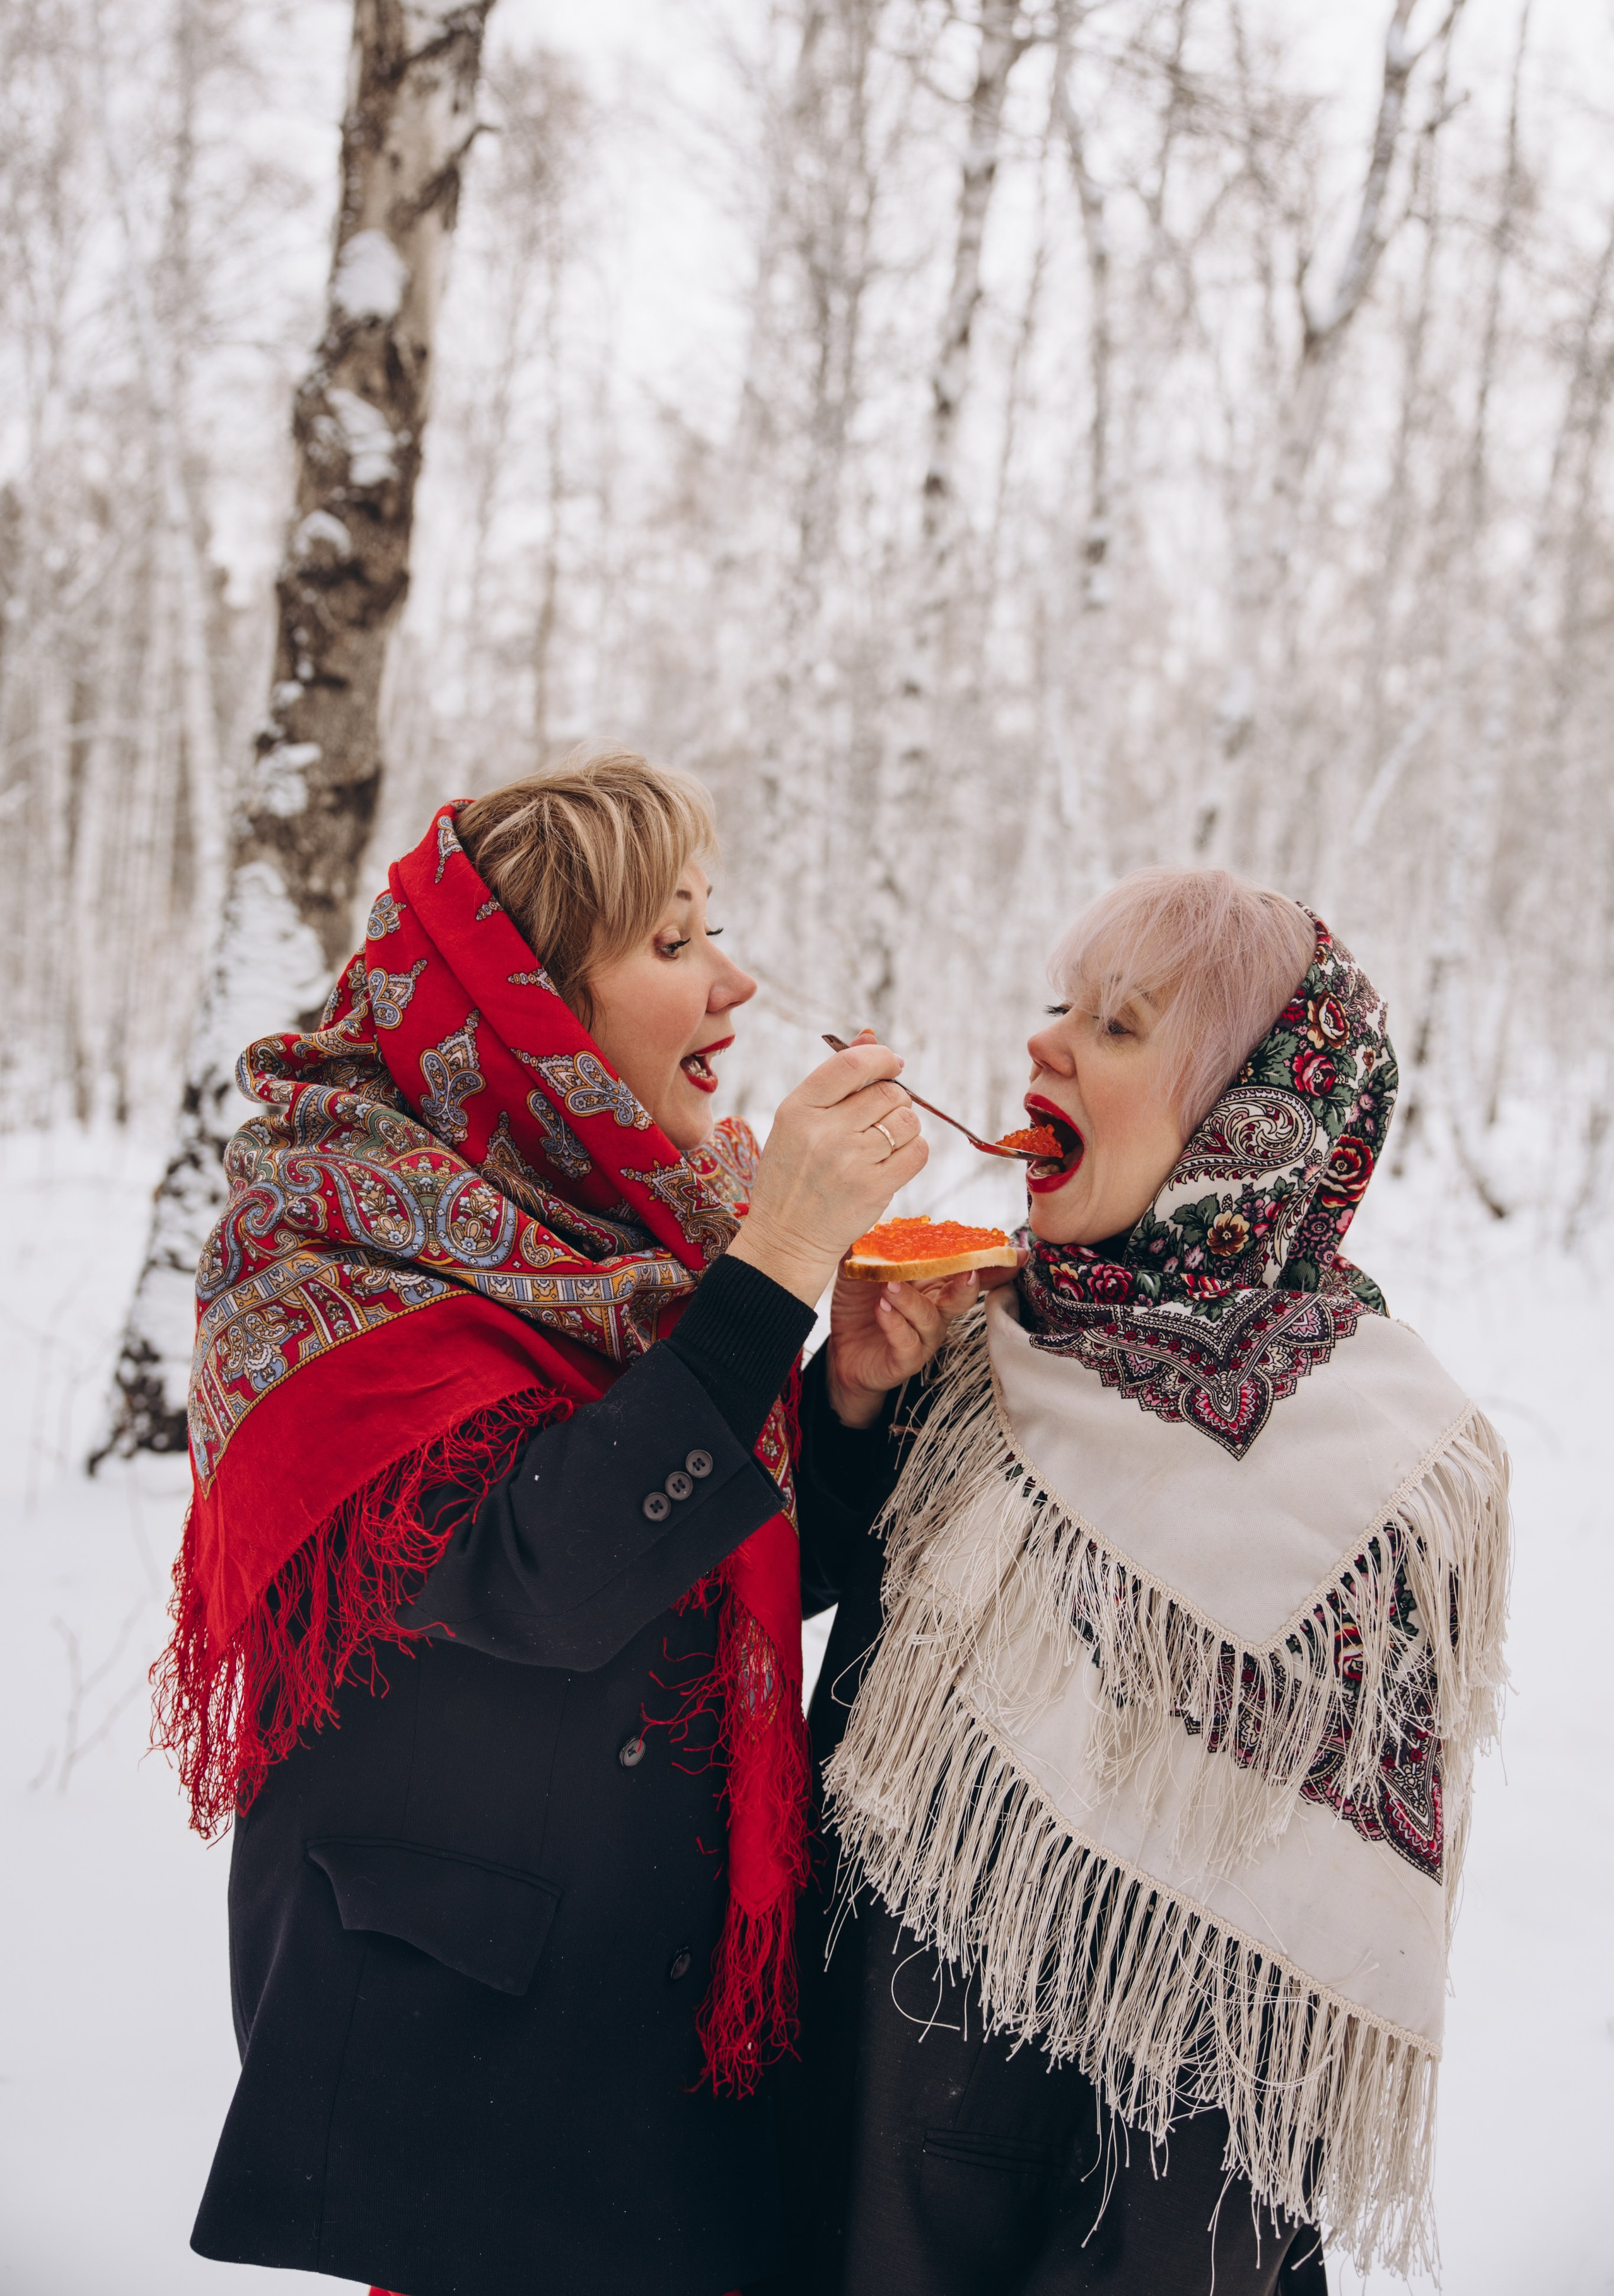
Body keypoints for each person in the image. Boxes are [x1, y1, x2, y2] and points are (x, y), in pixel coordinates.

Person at [158, 748, 941, 2296]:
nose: (734, 979)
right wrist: (778, 1256)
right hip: (473, 2058)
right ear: (522, 1008)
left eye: (710, 926)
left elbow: (701, 1574)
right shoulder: (330, 1233)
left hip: (656, 2025)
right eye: (669, 944)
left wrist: (840, 1409)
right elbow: (540, 1578)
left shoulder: (640, 1219)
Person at [784, 867, 1511, 2296]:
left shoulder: (1373, 1472)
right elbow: (757, 1598)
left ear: (1248, 1127)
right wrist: (852, 1398)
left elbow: (1263, 1982)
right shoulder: (975, 1349)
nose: (1044, 1045)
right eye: (1059, 1010)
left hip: (1102, 2231)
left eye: (1116, 1029)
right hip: (833, 2150)